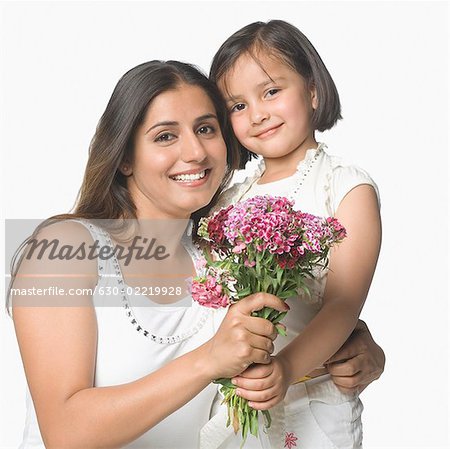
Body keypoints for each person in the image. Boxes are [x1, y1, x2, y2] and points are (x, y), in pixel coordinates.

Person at [10, 60, 289, 449]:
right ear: (124, 157)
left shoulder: (220, 259)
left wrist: (351, 351)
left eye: (206, 129)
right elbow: (65, 432)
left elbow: (272, 357)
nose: (194, 151)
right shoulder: (65, 251)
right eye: (164, 137)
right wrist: (209, 359)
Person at [204, 20, 383, 448]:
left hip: (314, 399)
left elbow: (342, 306)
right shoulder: (225, 198)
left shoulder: (345, 187)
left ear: (313, 92)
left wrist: (284, 370)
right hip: (236, 400)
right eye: (237, 105)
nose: (258, 114)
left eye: (271, 92)